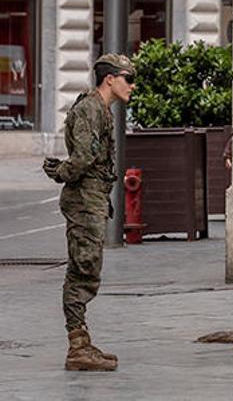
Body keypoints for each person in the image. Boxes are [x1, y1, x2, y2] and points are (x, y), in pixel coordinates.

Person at [42, 54, 136, 371]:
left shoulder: (101, 110)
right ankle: (77, 347)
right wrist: (61, 172)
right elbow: (83, 159)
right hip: (83, 199)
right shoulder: (89, 109)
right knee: (82, 270)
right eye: (128, 79)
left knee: (88, 269)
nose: (132, 86)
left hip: (92, 197)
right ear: (110, 78)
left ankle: (82, 342)